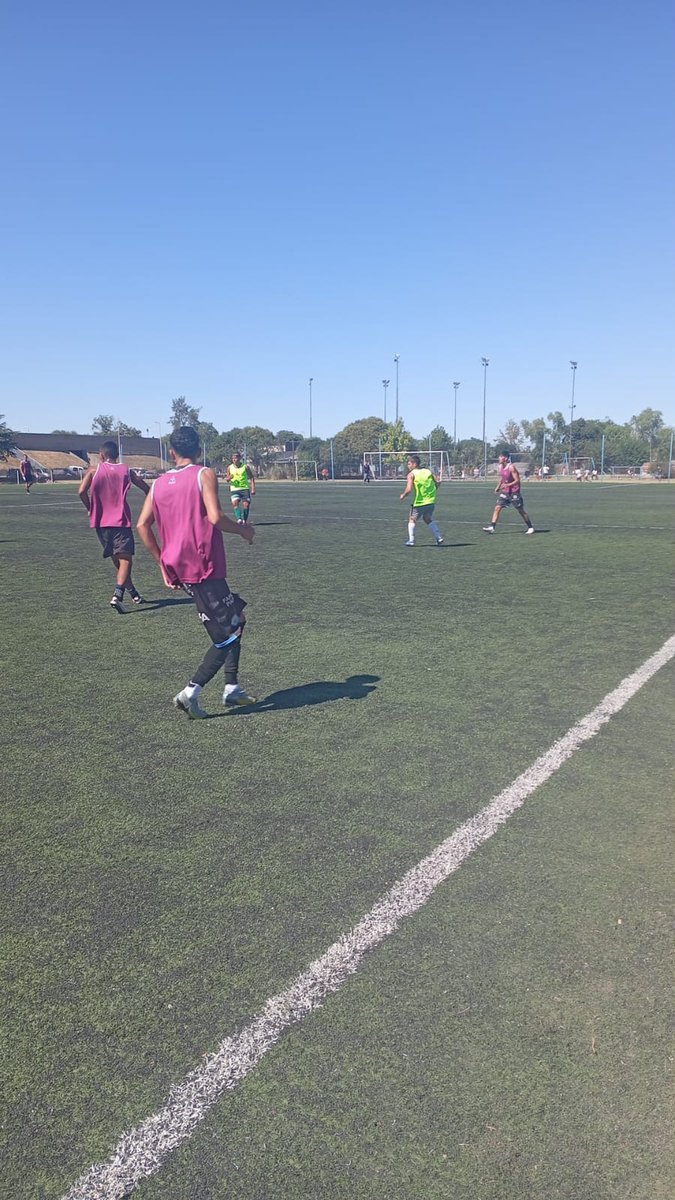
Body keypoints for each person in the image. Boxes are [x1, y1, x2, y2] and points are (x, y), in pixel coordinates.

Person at [137, 426, 256, 718]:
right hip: (203, 566)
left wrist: (161, 562)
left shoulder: (158, 483)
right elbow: (215, 517)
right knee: (227, 635)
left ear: (172, 452)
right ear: (199, 450)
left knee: (237, 618)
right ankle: (191, 692)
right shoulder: (203, 474)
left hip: (181, 566)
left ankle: (232, 687)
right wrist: (243, 531)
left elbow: (142, 525)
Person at [79, 440, 150, 611]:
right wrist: (150, 508)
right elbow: (147, 489)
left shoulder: (94, 470)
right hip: (120, 521)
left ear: (102, 455)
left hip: (100, 523)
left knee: (119, 562)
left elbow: (81, 492)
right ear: (117, 455)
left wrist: (90, 508)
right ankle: (118, 594)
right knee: (125, 561)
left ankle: (133, 592)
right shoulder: (126, 470)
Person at [483, 455, 534, 534]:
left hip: (514, 492)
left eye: (501, 457)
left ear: (506, 458)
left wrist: (508, 485)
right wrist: (498, 486)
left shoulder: (511, 467)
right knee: (497, 507)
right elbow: (502, 478)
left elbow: (517, 480)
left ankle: (530, 527)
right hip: (505, 492)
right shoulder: (501, 467)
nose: (499, 458)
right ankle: (492, 527)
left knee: (520, 510)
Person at [400, 455, 444, 546]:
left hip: (420, 502)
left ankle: (411, 541)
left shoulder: (411, 474)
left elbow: (408, 490)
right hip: (431, 501)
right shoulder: (428, 471)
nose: (408, 466)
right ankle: (439, 538)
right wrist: (432, 491)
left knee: (412, 520)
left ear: (414, 464)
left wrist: (403, 496)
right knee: (427, 518)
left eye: (409, 464)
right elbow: (438, 482)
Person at [226, 451, 255, 522]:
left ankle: (244, 520)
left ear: (239, 458)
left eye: (235, 458)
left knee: (246, 505)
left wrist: (253, 488)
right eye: (233, 458)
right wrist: (229, 477)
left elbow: (251, 477)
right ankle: (239, 519)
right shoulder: (230, 467)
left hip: (244, 488)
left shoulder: (245, 467)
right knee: (235, 503)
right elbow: (227, 479)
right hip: (234, 488)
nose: (234, 460)